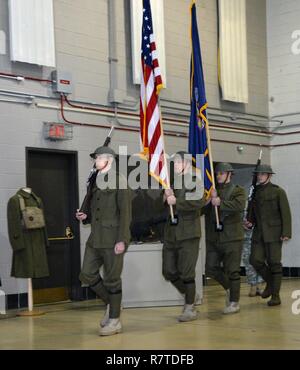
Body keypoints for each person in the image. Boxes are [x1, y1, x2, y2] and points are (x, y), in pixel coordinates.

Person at [76, 146, 132, 336]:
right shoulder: (96, 181)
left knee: (112, 279)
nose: (95, 161)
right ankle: (112, 303)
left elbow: (125, 213)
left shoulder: (119, 180)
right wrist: (86, 215)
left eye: (98, 158)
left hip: (113, 238)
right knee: (87, 274)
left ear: (108, 159)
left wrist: (122, 239)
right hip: (96, 237)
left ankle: (115, 320)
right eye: (95, 158)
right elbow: (96, 208)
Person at [163, 151, 206, 322]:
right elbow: (166, 205)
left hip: (188, 233)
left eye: (178, 161)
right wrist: (165, 196)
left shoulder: (196, 180)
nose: (176, 164)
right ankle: (190, 294)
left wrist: (177, 202)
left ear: (187, 163)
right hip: (171, 233)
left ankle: (190, 307)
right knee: (168, 271)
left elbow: (199, 202)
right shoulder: (172, 181)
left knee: (187, 273)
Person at [245, 164, 292, 306]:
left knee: (274, 264)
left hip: (274, 233)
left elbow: (285, 213)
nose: (260, 176)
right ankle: (271, 284)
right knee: (255, 260)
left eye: (263, 174)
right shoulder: (254, 192)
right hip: (259, 233)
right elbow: (252, 213)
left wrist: (286, 232)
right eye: (258, 174)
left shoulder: (278, 192)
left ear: (269, 176)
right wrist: (249, 222)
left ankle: (276, 296)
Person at [204, 163, 246, 314]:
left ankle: (234, 302)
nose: (218, 176)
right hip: (214, 237)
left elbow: (239, 205)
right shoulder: (211, 191)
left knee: (233, 270)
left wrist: (221, 202)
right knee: (210, 268)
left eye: (221, 173)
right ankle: (229, 288)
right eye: (217, 173)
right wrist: (207, 201)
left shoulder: (238, 190)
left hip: (232, 237)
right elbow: (200, 211)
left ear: (229, 174)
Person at [242, 224, 264, 297]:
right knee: (248, 261)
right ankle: (253, 285)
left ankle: (259, 285)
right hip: (245, 236)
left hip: (259, 235)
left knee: (260, 259)